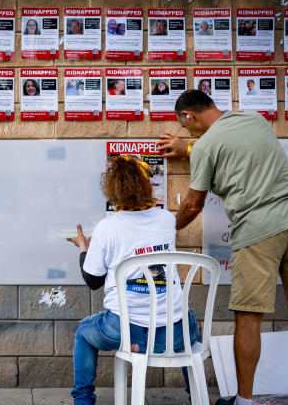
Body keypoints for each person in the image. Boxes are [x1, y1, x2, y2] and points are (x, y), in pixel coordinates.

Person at [157, 89, 288, 405]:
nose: (189, 133)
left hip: (259, 232)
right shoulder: (254, 119)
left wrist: (165, 228)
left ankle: (244, 401)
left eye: (186, 128)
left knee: (249, 318)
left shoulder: (205, 148)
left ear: (188, 116)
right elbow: (229, 142)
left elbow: (195, 204)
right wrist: (190, 147)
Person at [67, 155, 200, 405]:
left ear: (111, 189)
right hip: (175, 333)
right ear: (147, 186)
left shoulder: (107, 227)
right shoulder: (167, 220)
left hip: (124, 331)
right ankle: (197, 396)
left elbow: (93, 281)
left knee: (84, 331)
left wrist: (84, 249)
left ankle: (83, 401)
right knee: (188, 318)